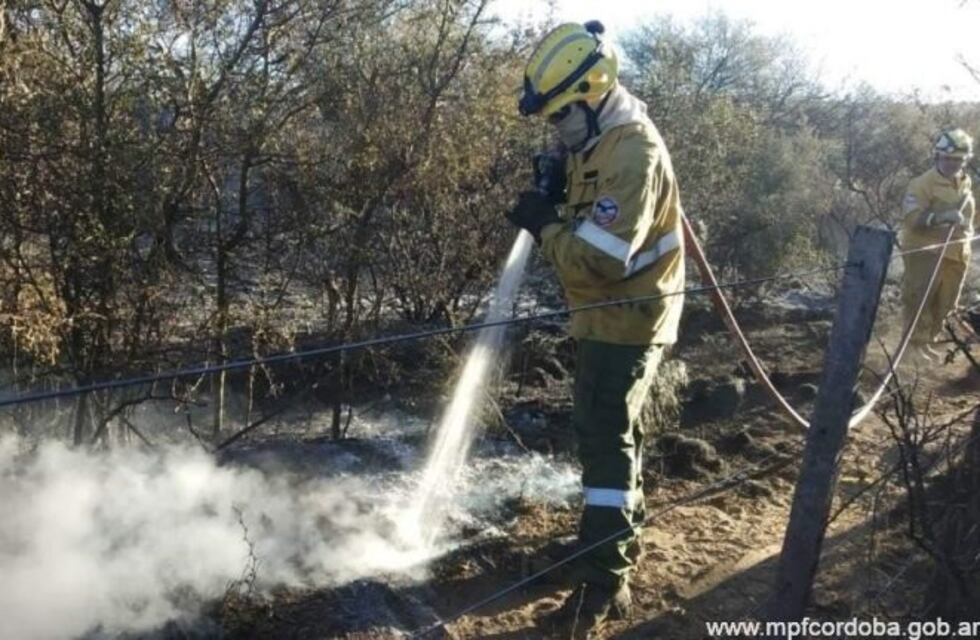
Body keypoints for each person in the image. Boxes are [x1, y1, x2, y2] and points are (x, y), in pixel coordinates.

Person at [504, 20, 686, 638]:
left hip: (628, 320)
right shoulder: (599, 141)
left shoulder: (633, 152)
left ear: (594, 91)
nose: (557, 131)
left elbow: (604, 260)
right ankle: (601, 548)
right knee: (602, 432)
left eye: (561, 117)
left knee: (607, 440)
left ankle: (605, 580)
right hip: (605, 317)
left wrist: (547, 226)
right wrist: (560, 187)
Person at [900, 128, 975, 364]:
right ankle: (912, 348)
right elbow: (912, 218)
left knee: (946, 303)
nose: (952, 164)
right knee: (920, 299)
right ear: (938, 156)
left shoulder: (966, 183)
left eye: (958, 160)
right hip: (926, 253)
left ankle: (927, 342)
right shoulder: (921, 184)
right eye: (948, 158)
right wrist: (940, 217)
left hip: (956, 254)